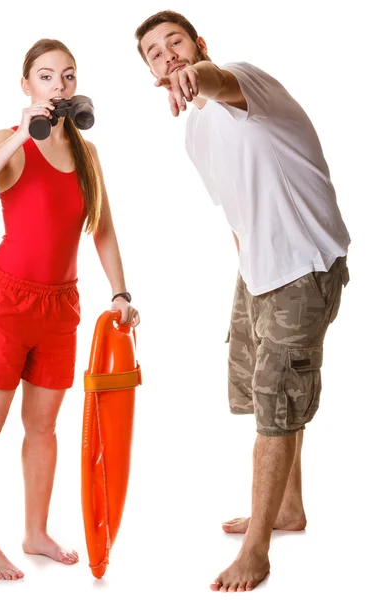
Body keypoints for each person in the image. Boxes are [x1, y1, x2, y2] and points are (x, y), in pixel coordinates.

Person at [135, 11, 350, 593]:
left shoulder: (242, 79)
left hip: (303, 269)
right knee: (268, 397)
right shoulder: (194, 133)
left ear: (200, 44)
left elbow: (214, 82)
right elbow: (235, 209)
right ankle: (288, 509)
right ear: (150, 72)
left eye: (174, 42)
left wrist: (196, 77)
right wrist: (249, 273)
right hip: (260, 270)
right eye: (154, 53)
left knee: (276, 403)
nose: (168, 56)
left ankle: (257, 551)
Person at [0, 38, 140, 581]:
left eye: (67, 77)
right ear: (26, 85)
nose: (57, 87)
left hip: (61, 306)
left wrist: (120, 293)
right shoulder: (8, 142)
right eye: (45, 77)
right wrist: (18, 133)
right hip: (4, 302)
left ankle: (34, 531)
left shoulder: (87, 154)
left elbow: (101, 228)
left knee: (43, 428)